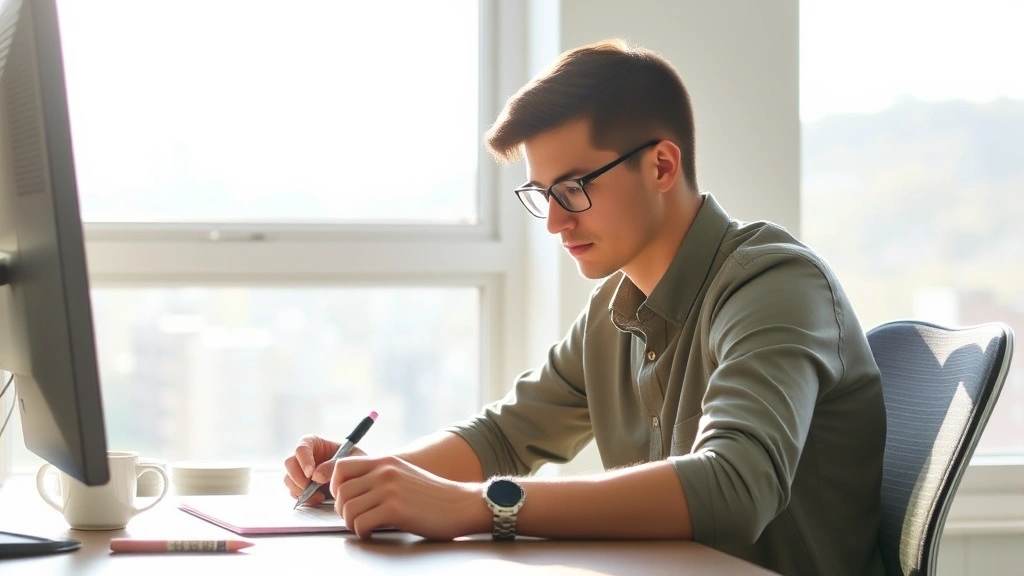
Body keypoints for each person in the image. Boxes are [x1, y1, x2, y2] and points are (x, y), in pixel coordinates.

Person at [284, 38, 886, 576]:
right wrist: (371, 476)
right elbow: (503, 438)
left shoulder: (776, 284)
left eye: (573, 188)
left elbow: (733, 487)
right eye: (541, 194)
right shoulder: (614, 312)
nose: (553, 221)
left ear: (661, 165)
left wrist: (478, 506)